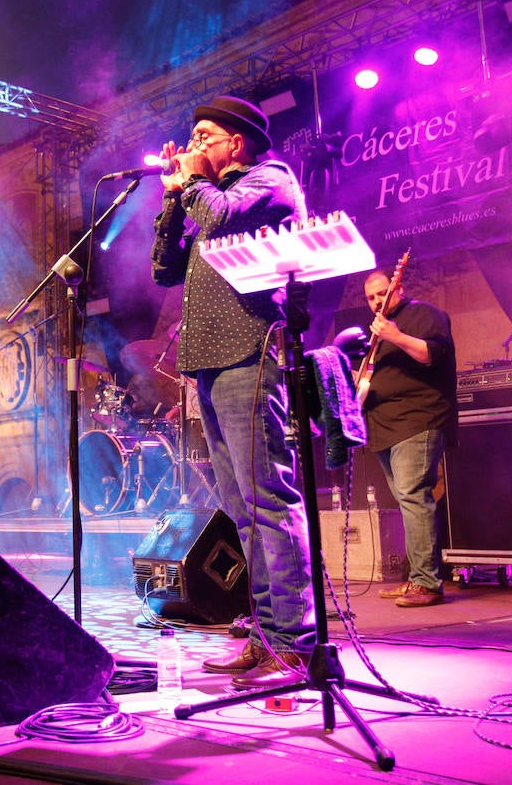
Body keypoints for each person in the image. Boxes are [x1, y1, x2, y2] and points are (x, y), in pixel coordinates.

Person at [150, 95, 313, 690]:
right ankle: (265, 635)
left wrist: (191, 184)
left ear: (236, 143)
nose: (192, 146)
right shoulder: (205, 194)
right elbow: (163, 269)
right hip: (209, 363)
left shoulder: (270, 181)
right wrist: (172, 194)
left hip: (251, 352)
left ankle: (296, 643)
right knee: (242, 511)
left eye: (203, 135)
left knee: (269, 500)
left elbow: (220, 219)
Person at [360, 268, 458, 607]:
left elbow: (434, 354)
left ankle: (428, 583)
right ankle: (417, 577)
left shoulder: (423, 314)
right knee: (406, 500)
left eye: (382, 293)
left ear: (398, 287)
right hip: (386, 426)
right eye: (370, 297)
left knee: (414, 496)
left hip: (418, 420)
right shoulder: (375, 332)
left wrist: (395, 335)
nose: (376, 301)